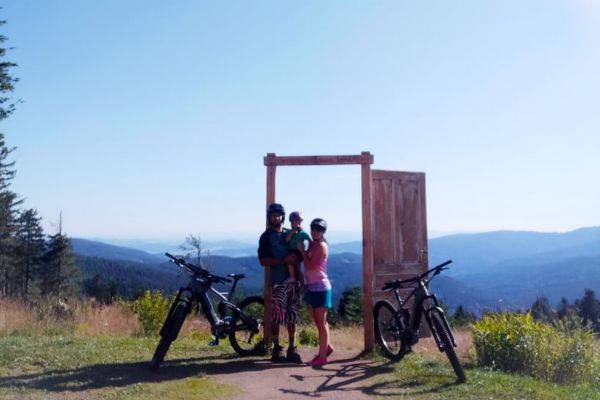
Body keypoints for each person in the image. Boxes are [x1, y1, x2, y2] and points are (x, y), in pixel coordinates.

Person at [257, 203, 302, 363]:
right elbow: (263, 261)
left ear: (283, 216)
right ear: (270, 217)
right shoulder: (266, 236)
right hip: (277, 282)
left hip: (293, 282)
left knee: (292, 317)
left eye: (278, 215)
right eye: (273, 215)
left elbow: (299, 254)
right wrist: (284, 260)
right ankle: (277, 349)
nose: (276, 218)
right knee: (277, 317)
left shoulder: (291, 233)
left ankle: (292, 348)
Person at [297, 218, 333, 366]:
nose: (315, 232)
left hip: (320, 288)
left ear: (323, 232)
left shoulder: (321, 246)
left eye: (319, 230)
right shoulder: (314, 245)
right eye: (313, 229)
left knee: (321, 323)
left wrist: (302, 251)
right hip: (313, 287)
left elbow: (310, 266)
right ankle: (327, 347)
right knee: (320, 322)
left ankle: (322, 357)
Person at [283, 211, 311, 284]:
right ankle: (294, 277)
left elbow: (310, 242)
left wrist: (307, 251)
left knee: (296, 265)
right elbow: (287, 240)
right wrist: (292, 233)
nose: (296, 224)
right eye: (294, 222)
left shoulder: (303, 233)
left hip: (298, 251)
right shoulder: (290, 232)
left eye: (298, 222)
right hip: (291, 250)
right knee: (291, 263)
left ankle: (297, 279)